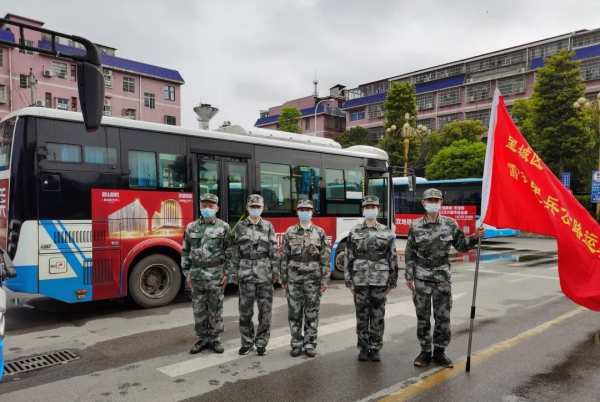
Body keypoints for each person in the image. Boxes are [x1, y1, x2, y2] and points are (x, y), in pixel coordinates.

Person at [405, 188, 485, 368]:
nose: (433, 203)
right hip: (421, 276)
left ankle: (440, 352)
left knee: (443, 317)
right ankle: (425, 351)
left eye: (436, 200)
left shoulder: (450, 224)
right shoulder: (415, 225)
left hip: (442, 276)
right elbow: (410, 252)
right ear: (423, 203)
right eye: (430, 200)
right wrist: (408, 275)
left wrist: (474, 237)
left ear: (441, 203)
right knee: (423, 317)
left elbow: (462, 246)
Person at [345, 195, 398, 362]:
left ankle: (375, 348)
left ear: (378, 209)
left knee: (378, 315)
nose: (370, 209)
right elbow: (348, 256)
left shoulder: (386, 231)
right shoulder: (354, 231)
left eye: (373, 206)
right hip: (359, 279)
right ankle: (363, 347)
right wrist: (349, 280)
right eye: (367, 207)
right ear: (363, 210)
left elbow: (392, 257)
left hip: (380, 280)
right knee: (361, 316)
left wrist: (392, 280)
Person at [181, 193, 232, 354]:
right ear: (200, 207)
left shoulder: (224, 227)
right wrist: (187, 273)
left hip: (215, 275)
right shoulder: (191, 227)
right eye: (204, 206)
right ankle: (203, 338)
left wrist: (227, 273)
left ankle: (214, 338)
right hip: (196, 275)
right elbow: (185, 251)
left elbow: (229, 252)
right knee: (199, 308)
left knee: (215, 307)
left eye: (211, 206)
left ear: (217, 208)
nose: (207, 209)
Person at [280, 199, 330, 358]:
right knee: (294, 312)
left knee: (311, 312)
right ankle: (296, 343)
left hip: (313, 278)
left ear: (312, 212)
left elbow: (325, 257)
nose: (304, 212)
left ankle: (310, 343)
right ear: (297, 212)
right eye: (301, 209)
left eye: (307, 209)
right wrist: (283, 278)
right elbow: (285, 256)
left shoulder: (319, 232)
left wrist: (324, 279)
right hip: (293, 278)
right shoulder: (290, 232)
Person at [230, 194, 278, 356]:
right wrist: (234, 274)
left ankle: (262, 342)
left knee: (265, 311)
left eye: (258, 207)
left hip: (264, 274)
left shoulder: (268, 226)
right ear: (247, 208)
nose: (255, 209)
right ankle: (247, 342)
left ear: (262, 208)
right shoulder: (240, 227)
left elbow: (273, 251)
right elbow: (235, 252)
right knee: (245, 312)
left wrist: (275, 273)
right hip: (245, 274)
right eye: (253, 206)